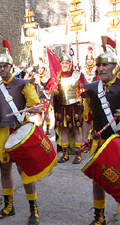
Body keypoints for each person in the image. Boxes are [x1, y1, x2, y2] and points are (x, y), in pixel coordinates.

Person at [0, 40, 52, 225]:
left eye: (4, 66)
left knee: (25, 171)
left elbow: (35, 104)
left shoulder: (24, 84)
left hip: (20, 132)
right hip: (1, 132)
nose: (1, 68)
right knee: (5, 171)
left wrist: (36, 109)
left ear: (10, 67)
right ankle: (8, 206)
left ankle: (33, 209)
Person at [81, 36, 120, 225]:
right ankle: (99, 217)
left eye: (106, 65)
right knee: (97, 180)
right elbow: (87, 117)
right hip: (100, 141)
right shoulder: (92, 88)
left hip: (119, 142)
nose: (101, 68)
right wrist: (82, 139)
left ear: (115, 67)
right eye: (99, 65)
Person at [54, 50, 86, 164]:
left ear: (70, 64)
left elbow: (84, 88)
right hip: (62, 107)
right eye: (62, 63)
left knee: (77, 129)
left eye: (66, 63)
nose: (64, 65)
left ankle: (78, 154)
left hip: (75, 107)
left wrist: (82, 97)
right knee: (64, 130)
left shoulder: (78, 75)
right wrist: (53, 92)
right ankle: (65, 153)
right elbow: (51, 89)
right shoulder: (57, 76)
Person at [33, 61, 57, 135]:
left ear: (44, 69)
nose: (40, 70)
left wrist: (49, 92)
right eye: (39, 68)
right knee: (39, 114)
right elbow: (33, 87)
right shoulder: (36, 78)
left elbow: (51, 87)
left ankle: (48, 128)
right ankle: (41, 128)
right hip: (38, 98)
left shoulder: (47, 78)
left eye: (41, 68)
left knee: (46, 114)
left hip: (45, 98)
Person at [81, 46, 97, 153]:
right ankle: (84, 141)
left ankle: (93, 139)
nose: (89, 61)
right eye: (88, 59)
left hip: (96, 95)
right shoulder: (83, 70)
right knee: (86, 118)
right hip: (86, 97)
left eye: (91, 59)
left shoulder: (97, 69)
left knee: (96, 117)